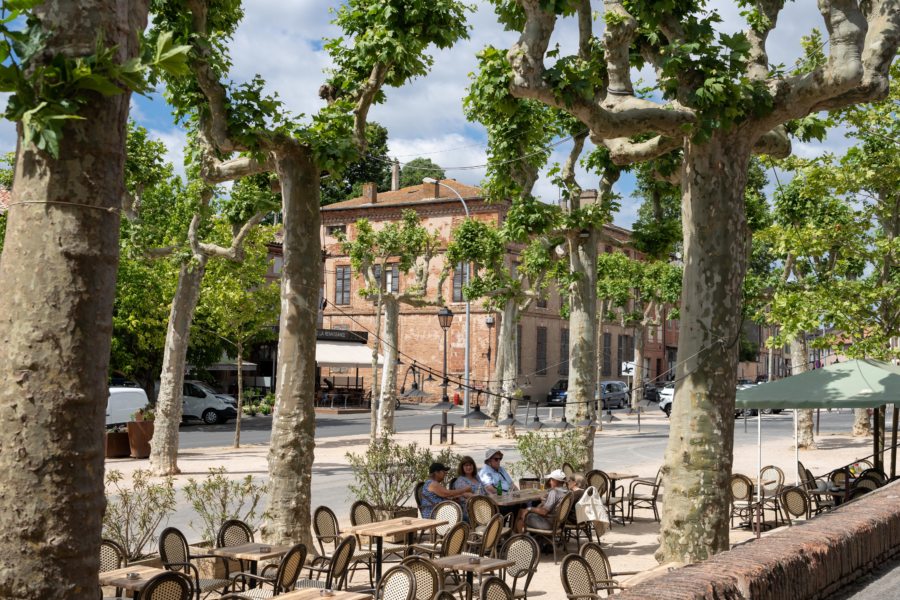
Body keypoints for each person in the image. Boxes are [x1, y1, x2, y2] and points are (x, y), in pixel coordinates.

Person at [516, 468, 569, 533]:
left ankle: (518, 540)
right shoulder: (567, 492)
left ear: (555, 481)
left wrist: (529, 509)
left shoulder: (554, 493)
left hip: (549, 523)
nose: (550, 482)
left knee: (521, 512)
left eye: (551, 479)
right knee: (531, 509)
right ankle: (534, 538)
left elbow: (544, 512)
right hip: (558, 523)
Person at [453, 456, 487, 520]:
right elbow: (468, 496)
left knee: (503, 509)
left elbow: (484, 489)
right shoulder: (460, 481)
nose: (469, 467)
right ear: (462, 467)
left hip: (484, 505)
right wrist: (485, 499)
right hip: (471, 510)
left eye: (470, 465)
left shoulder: (476, 477)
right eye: (466, 465)